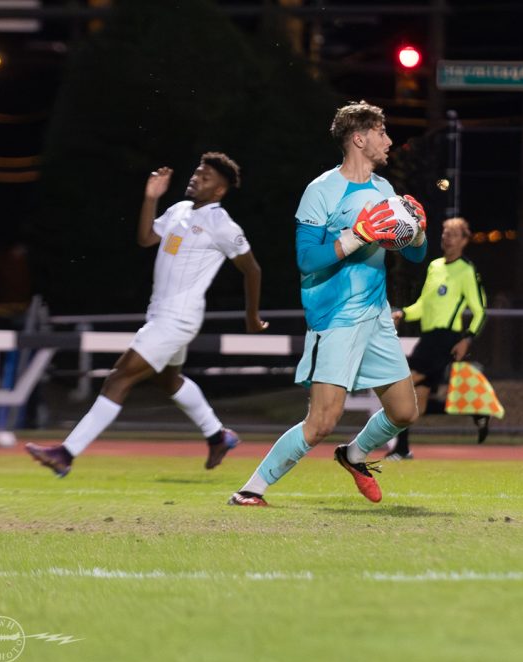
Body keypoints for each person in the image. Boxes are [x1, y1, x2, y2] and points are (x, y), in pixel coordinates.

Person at [227, 100, 428, 507]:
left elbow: (415, 256)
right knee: (320, 422)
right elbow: (306, 260)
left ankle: (353, 454)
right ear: (359, 138)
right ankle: (251, 490)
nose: (389, 141)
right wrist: (356, 236)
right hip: (335, 319)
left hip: (375, 316)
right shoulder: (320, 191)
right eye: (382, 133)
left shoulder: (384, 190)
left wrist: (418, 233)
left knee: (405, 412)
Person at [26, 152, 268, 477]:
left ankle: (66, 453)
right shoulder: (180, 210)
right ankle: (217, 435)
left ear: (220, 191)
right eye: (197, 171)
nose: (196, 178)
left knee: (118, 378)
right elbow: (146, 239)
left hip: (178, 319)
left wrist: (251, 317)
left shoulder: (220, 223)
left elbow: (252, 270)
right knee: (168, 380)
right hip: (160, 313)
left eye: (206, 177)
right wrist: (150, 198)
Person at [386, 216, 487, 460]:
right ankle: (475, 410)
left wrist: (467, 339)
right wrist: (403, 313)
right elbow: (423, 305)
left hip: (445, 339)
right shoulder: (435, 266)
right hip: (428, 338)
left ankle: (400, 449)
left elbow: (480, 310)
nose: (446, 238)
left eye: (452, 234)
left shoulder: (466, 270)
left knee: (404, 385)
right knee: (417, 403)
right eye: (444, 233)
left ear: (464, 240)